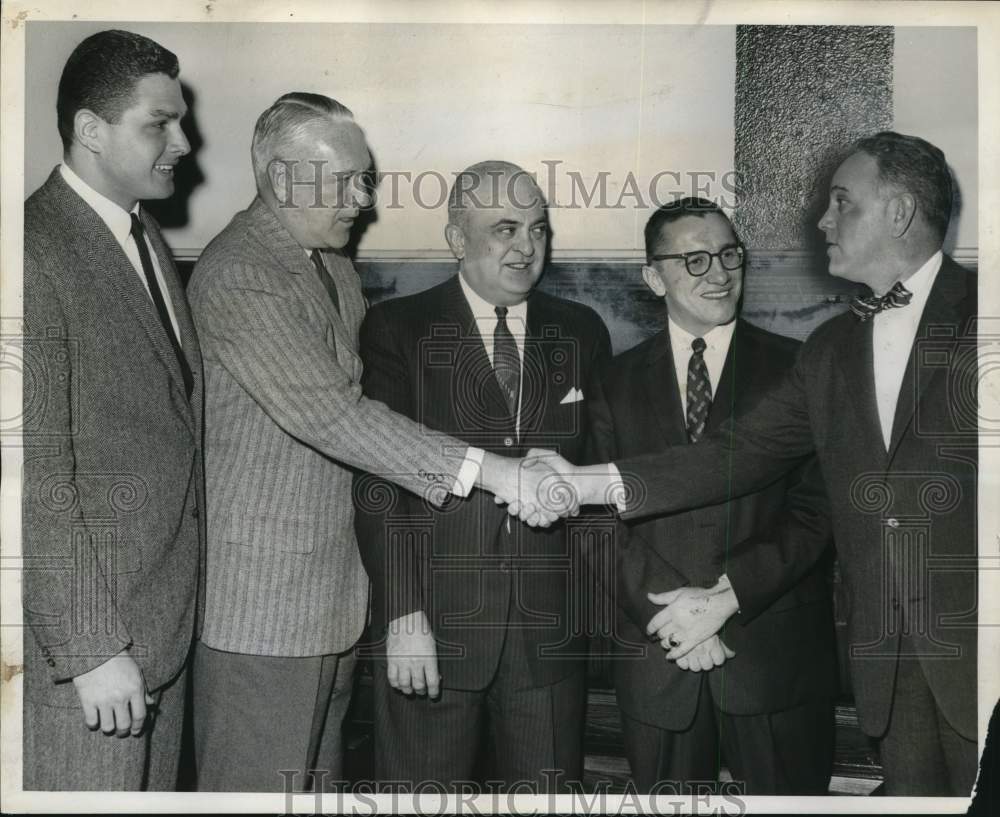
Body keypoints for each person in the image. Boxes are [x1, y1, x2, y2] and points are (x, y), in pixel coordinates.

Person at [556, 132, 978, 797]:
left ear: (898, 212)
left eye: (842, 202)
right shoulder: (834, 347)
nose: (822, 221)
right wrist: (580, 483)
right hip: (889, 666)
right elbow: (737, 453)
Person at [186, 100, 565, 792]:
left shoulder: (330, 268)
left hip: (331, 603)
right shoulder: (242, 271)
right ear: (283, 178)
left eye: (365, 180)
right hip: (263, 611)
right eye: (347, 182)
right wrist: (492, 472)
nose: (363, 201)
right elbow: (334, 415)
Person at [353, 161, 611, 790]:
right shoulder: (397, 328)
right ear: (456, 239)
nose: (526, 247)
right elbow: (380, 484)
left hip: (549, 640)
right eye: (504, 228)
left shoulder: (582, 329)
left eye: (538, 228)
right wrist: (404, 615)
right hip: (434, 631)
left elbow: (601, 474)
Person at [585, 198, 837, 794]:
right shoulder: (611, 381)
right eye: (694, 260)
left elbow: (818, 510)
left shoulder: (800, 367)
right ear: (654, 278)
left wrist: (724, 599)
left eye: (729, 255)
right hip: (660, 661)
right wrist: (672, 620)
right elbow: (593, 519)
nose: (719, 273)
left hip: (772, 658)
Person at [22, 29, 202, 790]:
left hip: (158, 636)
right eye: (160, 123)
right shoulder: (30, 252)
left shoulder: (142, 232)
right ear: (91, 130)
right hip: (90, 664)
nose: (183, 143)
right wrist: (92, 647)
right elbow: (28, 477)